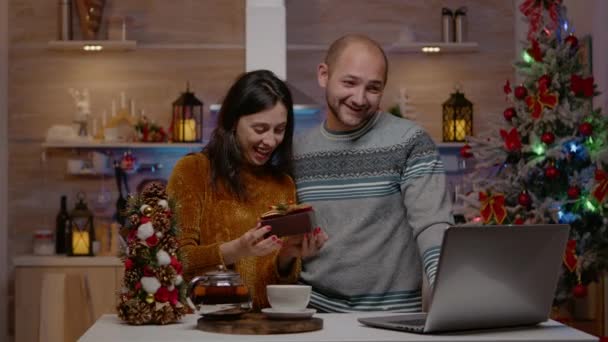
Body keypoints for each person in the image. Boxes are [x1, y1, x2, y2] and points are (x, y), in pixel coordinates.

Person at [292, 34, 454, 312]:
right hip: (316, 315)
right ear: (323, 75)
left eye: (373, 88)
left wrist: (447, 287)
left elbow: (432, 225)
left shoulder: (410, 142)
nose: (359, 98)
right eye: (349, 82)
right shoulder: (296, 151)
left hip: (393, 318)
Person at [168, 70, 328, 310]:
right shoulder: (193, 171)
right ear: (233, 121)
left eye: (279, 129)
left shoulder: (283, 184)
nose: (272, 141)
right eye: (260, 128)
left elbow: (279, 283)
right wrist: (237, 249)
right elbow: (176, 259)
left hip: (265, 326)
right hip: (204, 323)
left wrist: (287, 256)